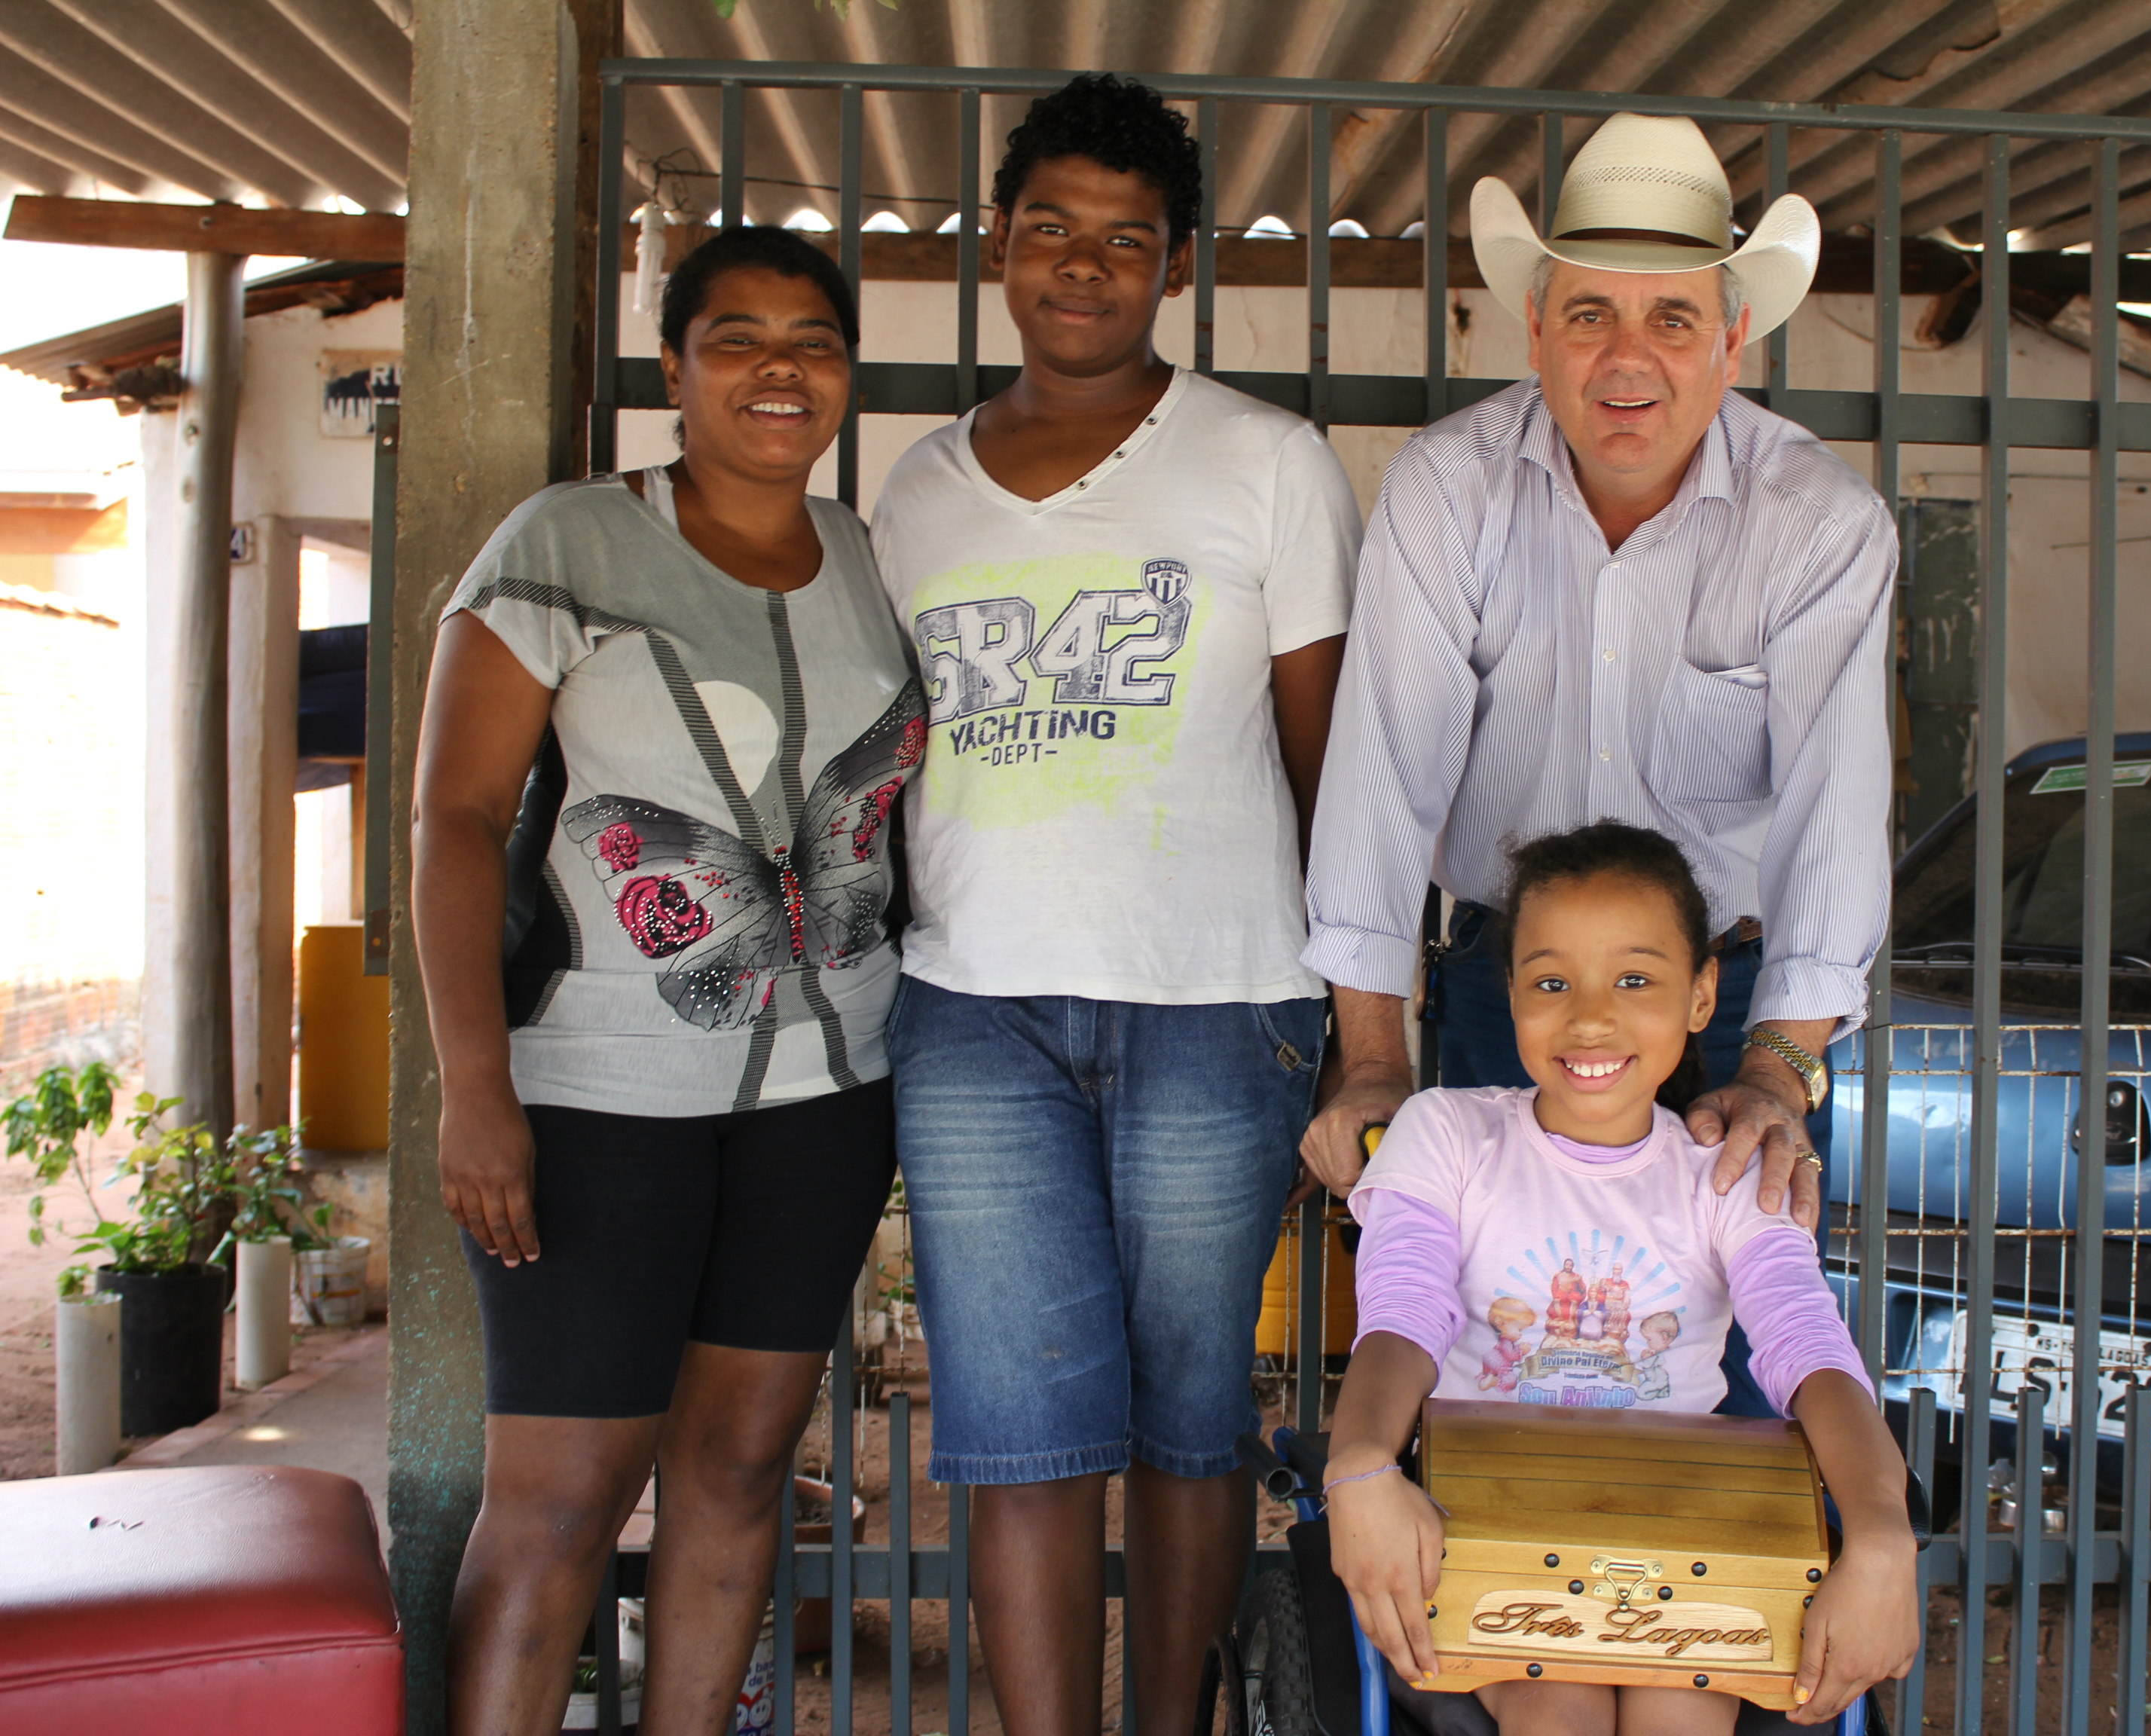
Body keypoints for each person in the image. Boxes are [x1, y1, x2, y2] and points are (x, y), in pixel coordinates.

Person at [867, 74, 1362, 1736]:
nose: (1082, 266)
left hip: (1220, 1010)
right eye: (1051, 230)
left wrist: (1360, 1032)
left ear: (1175, 265)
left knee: (1189, 1423)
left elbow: (1331, 771)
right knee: (1016, 1437)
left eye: (1124, 241)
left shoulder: (1268, 464)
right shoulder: (915, 494)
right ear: (998, 246)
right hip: (975, 1014)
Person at [1297, 110, 1895, 1417]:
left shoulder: (1819, 524)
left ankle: (1713, 1626)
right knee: (1479, 1363)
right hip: (1506, 985)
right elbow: (1383, 775)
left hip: (1730, 1000)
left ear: (1735, 337)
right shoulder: (1448, 489)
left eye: (1674, 318)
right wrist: (1372, 1058)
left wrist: (1777, 1074)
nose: (1630, 357)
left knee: (1742, 1384)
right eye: (1590, 315)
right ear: (1535, 329)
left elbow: (1832, 812)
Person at [415, 223, 921, 1734]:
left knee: (741, 1467)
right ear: (676, 372)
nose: (782, 368)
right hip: (593, 1096)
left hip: (824, 1102)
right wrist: (473, 1088)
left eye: (814, 341)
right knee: (561, 1503)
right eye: (739, 338)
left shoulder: (878, 570)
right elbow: (449, 821)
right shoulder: (564, 543)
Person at [1322, 823, 1919, 1733]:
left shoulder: (1727, 1174)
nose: (1590, 1016)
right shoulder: (1445, 1134)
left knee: (1678, 1717)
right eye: (1551, 982)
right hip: (1486, 1521)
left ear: (1703, 996)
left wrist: (1882, 1534)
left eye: (1635, 979)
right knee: (1555, 1710)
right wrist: (1360, 1462)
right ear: (1511, 995)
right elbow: (1404, 1317)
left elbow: (1809, 1351)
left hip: (1680, 1536)